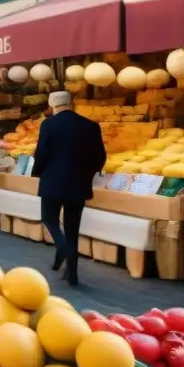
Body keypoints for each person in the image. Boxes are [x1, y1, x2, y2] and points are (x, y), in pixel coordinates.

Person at [32, 91, 107, 286]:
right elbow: (100, 156)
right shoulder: (90, 125)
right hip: (79, 184)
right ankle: (71, 274)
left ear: (53, 104)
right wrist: (87, 174)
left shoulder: (48, 125)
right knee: (73, 228)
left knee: (49, 219)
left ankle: (62, 248)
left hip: (52, 182)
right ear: (70, 103)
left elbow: (41, 153)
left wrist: (36, 171)